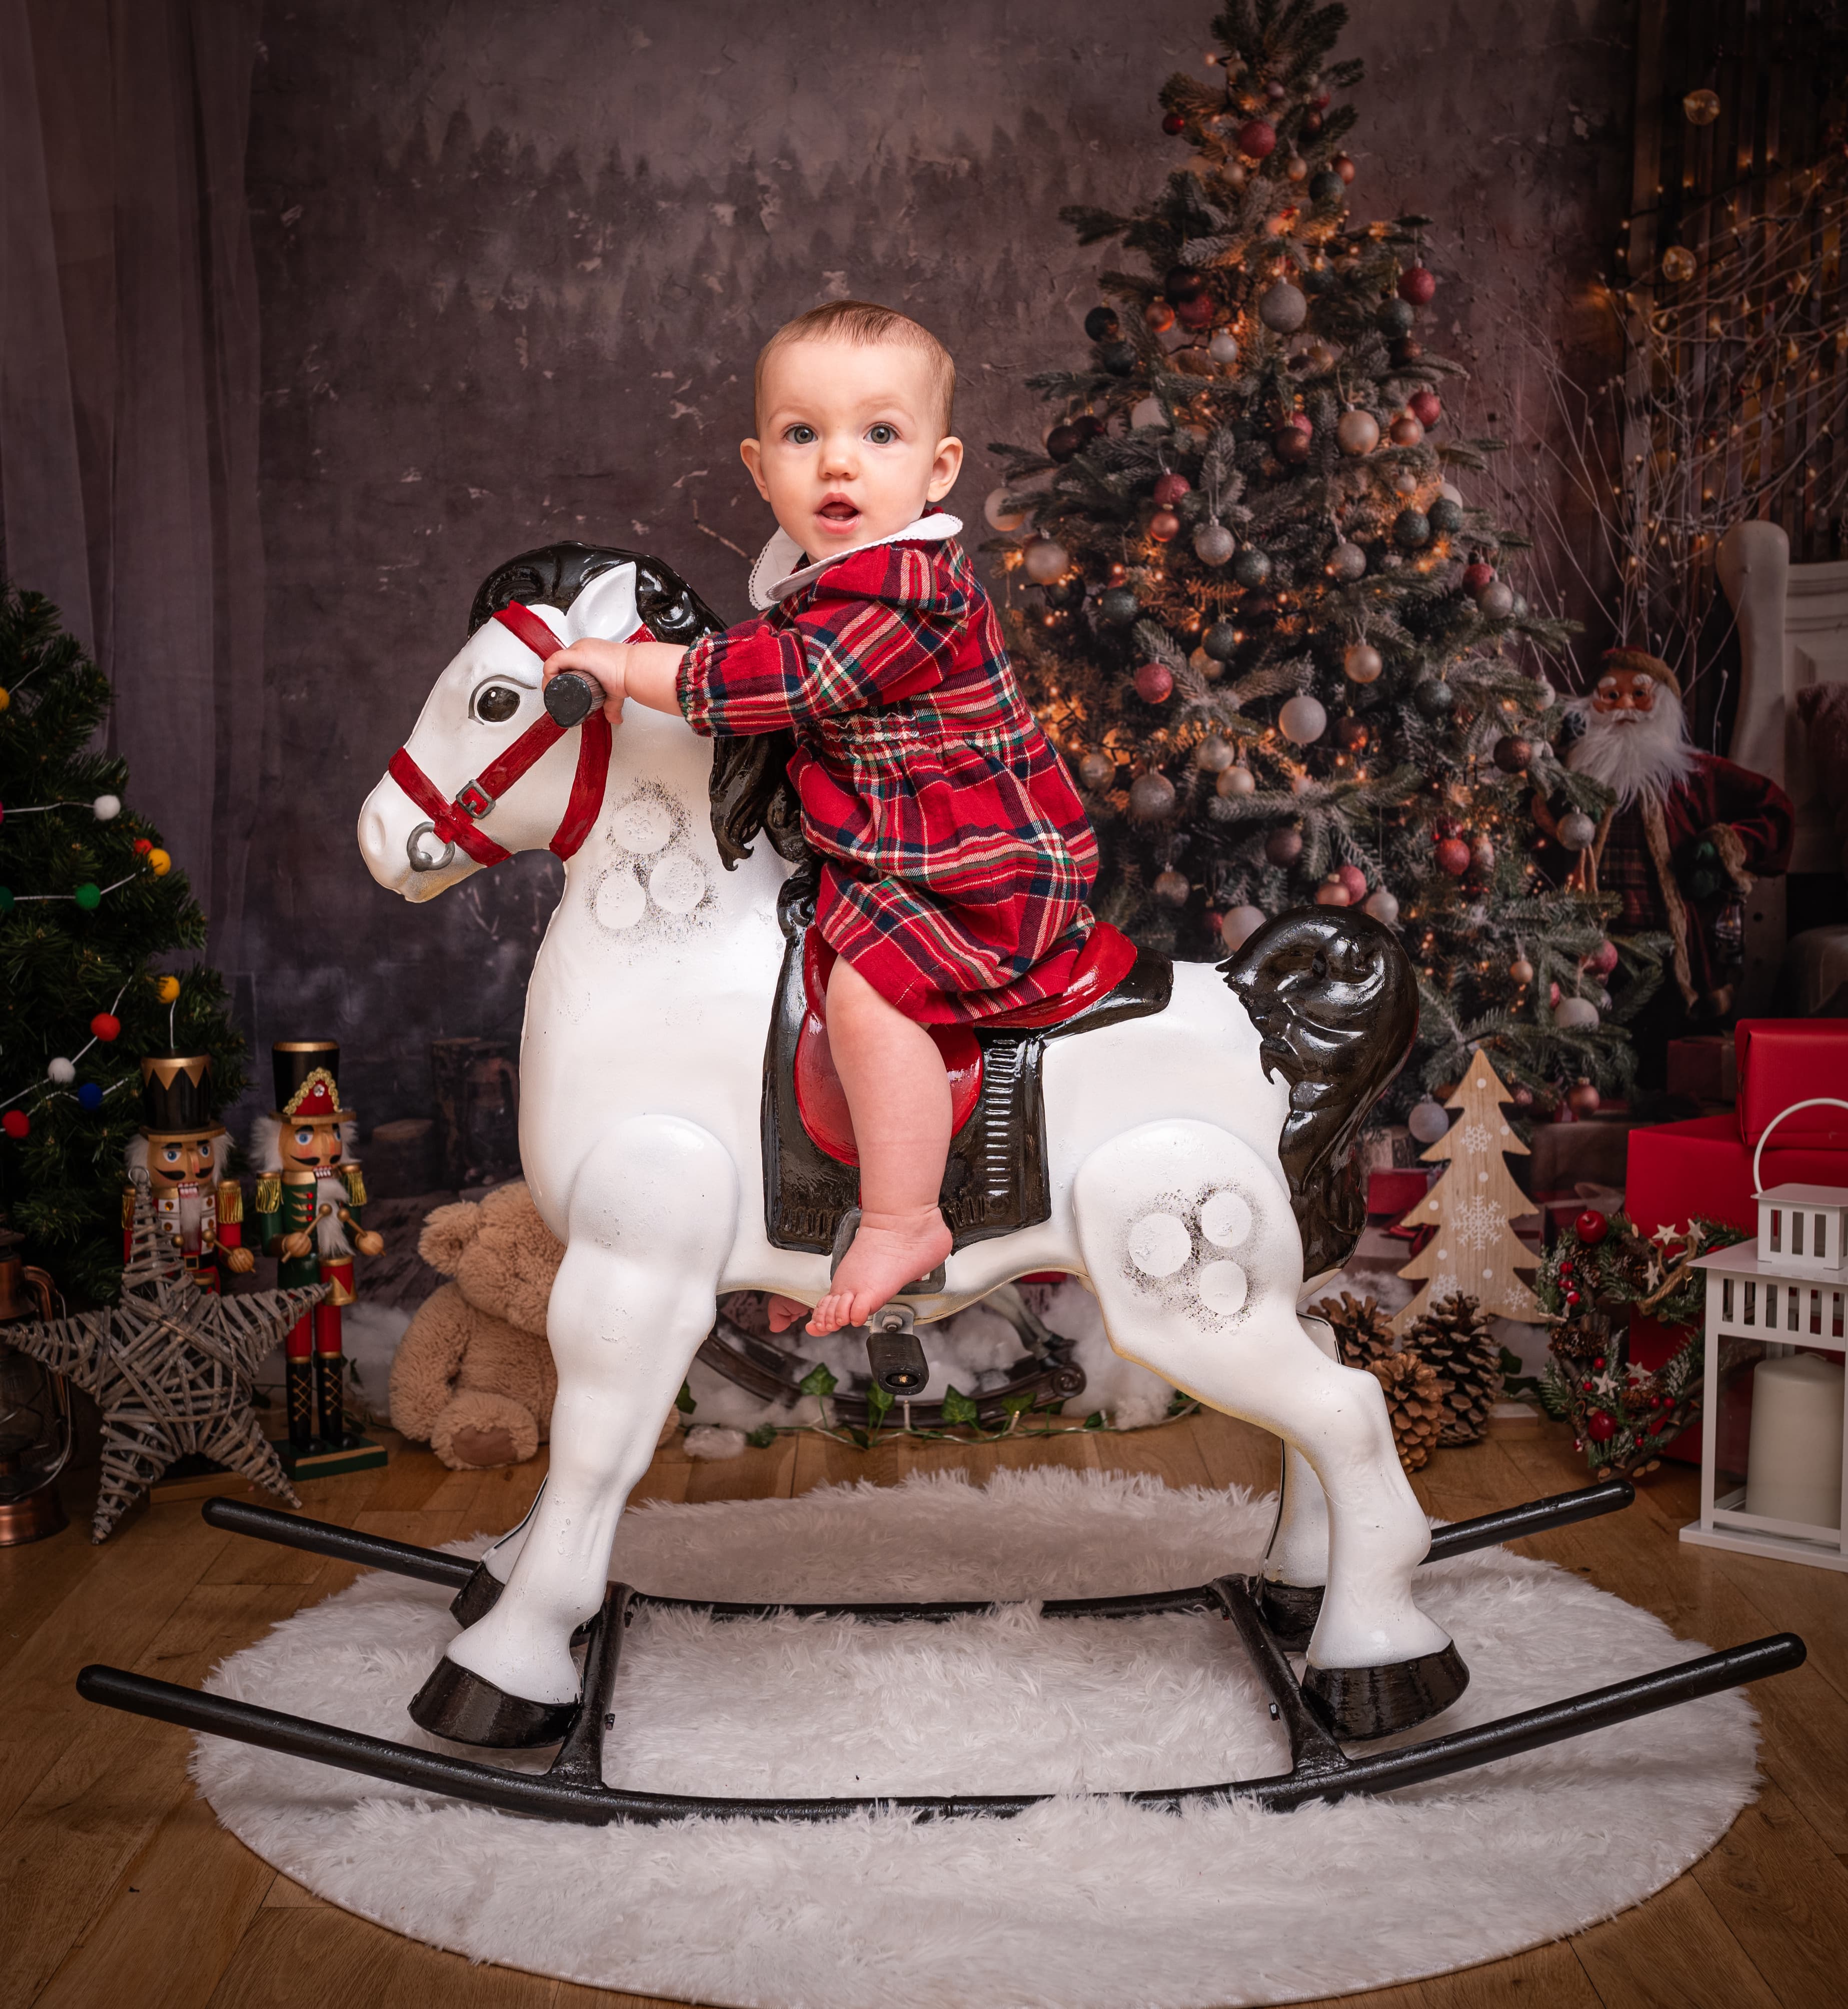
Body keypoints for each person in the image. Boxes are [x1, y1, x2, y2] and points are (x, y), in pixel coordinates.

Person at [542, 300, 1099, 1334]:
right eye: (804, 436)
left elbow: (780, 682)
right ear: (759, 468)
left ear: (936, 471)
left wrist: (629, 666)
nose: (838, 465)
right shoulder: (826, 577)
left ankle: (902, 1216)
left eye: (877, 435)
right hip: (895, 841)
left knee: (864, 999)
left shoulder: (904, 592)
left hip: (971, 864)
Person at [1540, 647, 1792, 1074]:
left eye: (1639, 695)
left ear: (1664, 708)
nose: (1623, 706)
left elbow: (1776, 810)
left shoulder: (1695, 776)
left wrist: (1721, 852)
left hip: (1671, 954)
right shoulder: (1572, 776)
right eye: (1610, 695)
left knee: (1668, 1063)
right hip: (1585, 957)